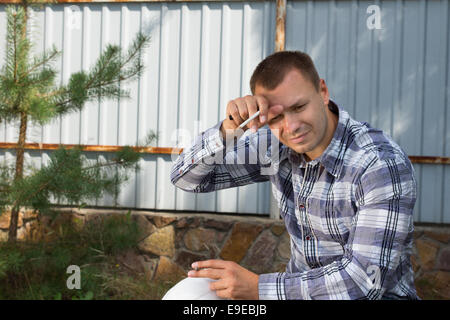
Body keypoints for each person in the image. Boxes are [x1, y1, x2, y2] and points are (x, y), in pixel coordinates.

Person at [170, 51, 418, 300]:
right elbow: (187, 178)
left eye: (299, 107)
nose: (291, 127)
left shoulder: (379, 164)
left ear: (323, 92)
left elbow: (364, 282)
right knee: (191, 295)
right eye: (276, 117)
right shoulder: (275, 147)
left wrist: (258, 288)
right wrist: (228, 130)